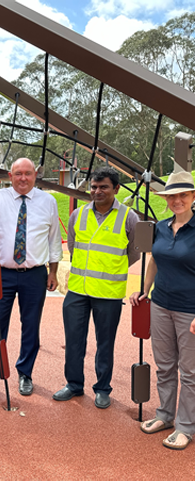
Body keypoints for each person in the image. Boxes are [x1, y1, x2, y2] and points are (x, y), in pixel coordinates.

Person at [0, 158, 63, 403]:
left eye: (28, 173)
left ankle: (25, 373)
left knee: (31, 326)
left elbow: (54, 239)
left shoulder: (48, 201)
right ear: (10, 176)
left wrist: (53, 271)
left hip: (34, 274)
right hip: (2, 273)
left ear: (35, 175)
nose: (23, 178)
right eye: (18, 173)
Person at [53, 167, 139, 409]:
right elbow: (72, 245)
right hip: (77, 291)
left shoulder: (129, 217)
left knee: (105, 343)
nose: (97, 191)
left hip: (109, 293)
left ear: (116, 189)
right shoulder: (77, 215)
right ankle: (73, 384)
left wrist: (110, 269)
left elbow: (133, 253)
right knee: (73, 341)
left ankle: (102, 388)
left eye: (103, 187)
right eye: (94, 187)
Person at [130, 171, 195, 450]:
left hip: (190, 310)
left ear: (193, 197)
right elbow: (155, 260)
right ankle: (165, 415)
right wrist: (145, 290)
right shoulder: (163, 226)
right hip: (161, 304)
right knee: (165, 366)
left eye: (183, 195)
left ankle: (186, 426)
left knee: (190, 371)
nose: (177, 200)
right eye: (172, 196)